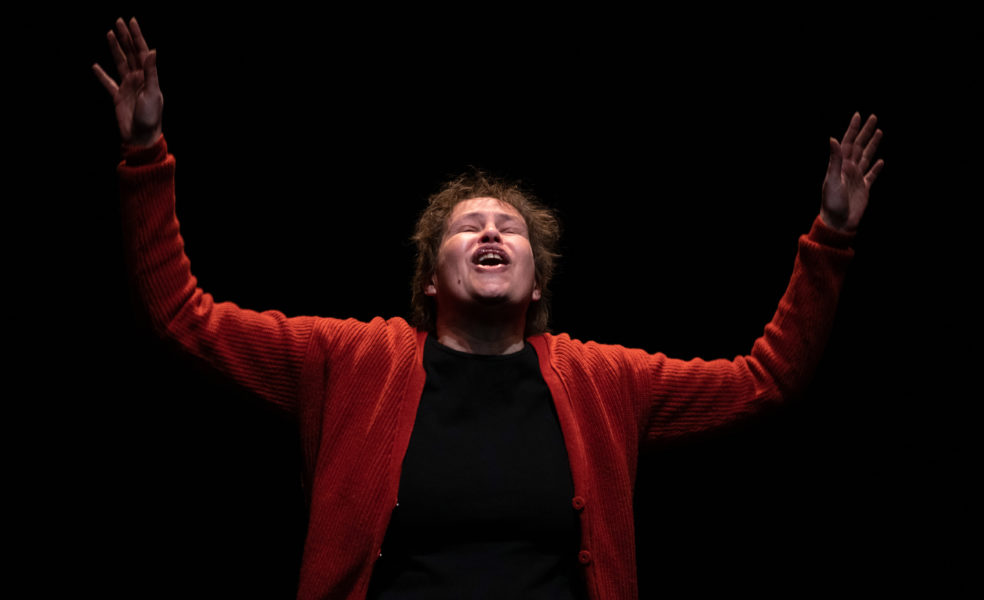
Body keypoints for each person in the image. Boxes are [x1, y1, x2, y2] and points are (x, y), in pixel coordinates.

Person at [95, 17, 883, 600]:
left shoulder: (605, 380)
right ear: (430, 282)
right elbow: (182, 316)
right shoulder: (350, 359)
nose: (491, 233)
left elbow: (764, 380)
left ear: (536, 286)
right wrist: (145, 153)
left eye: (509, 229)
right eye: (467, 226)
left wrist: (833, 235)